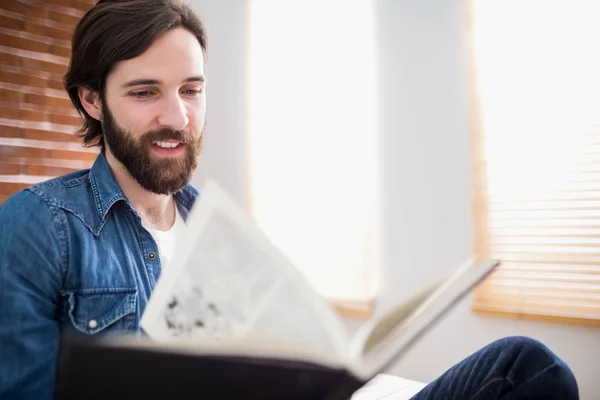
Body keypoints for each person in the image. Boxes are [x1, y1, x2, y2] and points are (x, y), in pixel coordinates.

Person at [0, 1, 579, 399]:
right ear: (93, 101)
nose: (177, 117)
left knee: (526, 366)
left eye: (192, 91)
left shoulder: (217, 231)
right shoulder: (40, 226)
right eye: (145, 91)